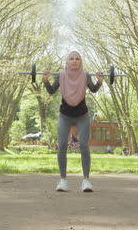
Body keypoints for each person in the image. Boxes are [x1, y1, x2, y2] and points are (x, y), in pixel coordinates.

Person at [43, 51, 103, 192]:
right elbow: (51, 91)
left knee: (84, 146)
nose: (74, 61)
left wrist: (99, 82)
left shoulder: (85, 75)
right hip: (65, 115)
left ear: (80, 61)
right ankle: (63, 180)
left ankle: (86, 181)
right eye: (71, 59)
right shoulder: (61, 75)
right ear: (67, 61)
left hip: (82, 115)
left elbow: (93, 89)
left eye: (77, 59)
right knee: (62, 145)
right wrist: (45, 81)